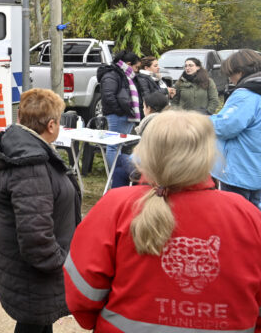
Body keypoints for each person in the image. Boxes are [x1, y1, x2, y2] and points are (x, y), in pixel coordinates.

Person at [64, 110, 261, 331]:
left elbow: (82, 292)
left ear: (145, 152)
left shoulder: (115, 206)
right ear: (209, 154)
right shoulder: (248, 215)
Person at [0, 88, 81, 332]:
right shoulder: (30, 164)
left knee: (38, 325)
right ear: (51, 125)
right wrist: (63, 264)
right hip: (36, 277)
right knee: (33, 326)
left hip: (32, 275)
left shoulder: (27, 151)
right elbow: (36, 238)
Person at [211, 49, 261, 203]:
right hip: (256, 167)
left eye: (230, 75)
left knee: (238, 217)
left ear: (239, 72)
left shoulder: (245, 95)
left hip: (240, 170)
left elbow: (226, 126)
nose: (230, 80)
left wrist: (202, 120)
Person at [97, 51, 141, 188]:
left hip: (126, 114)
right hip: (118, 115)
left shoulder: (124, 74)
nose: (137, 71)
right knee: (113, 146)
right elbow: (108, 96)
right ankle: (115, 176)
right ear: (128, 64)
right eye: (136, 67)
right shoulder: (112, 74)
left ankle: (118, 175)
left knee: (119, 146)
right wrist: (121, 111)